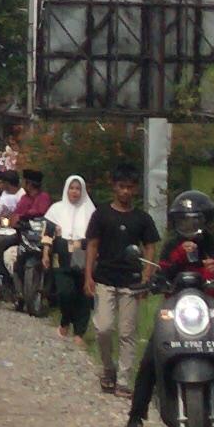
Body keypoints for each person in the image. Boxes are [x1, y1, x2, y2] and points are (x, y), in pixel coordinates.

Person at [124, 190, 214, 427]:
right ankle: (135, 418)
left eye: (194, 221)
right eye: (182, 221)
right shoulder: (172, 246)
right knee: (150, 359)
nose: (188, 227)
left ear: (207, 221)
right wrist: (177, 258)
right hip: (177, 311)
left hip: (211, 311)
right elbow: (161, 274)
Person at [82, 166, 161, 395]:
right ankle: (108, 368)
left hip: (131, 282)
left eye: (129, 187)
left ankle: (124, 380)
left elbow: (150, 246)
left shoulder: (142, 218)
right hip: (105, 279)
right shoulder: (101, 214)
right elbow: (92, 245)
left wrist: (147, 275)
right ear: (114, 187)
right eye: (121, 187)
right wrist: (88, 276)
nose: (125, 191)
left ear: (135, 189)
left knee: (127, 332)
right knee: (103, 328)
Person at [47, 175, 97, 339]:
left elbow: (95, 238)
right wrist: (45, 253)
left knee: (83, 294)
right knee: (65, 292)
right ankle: (65, 321)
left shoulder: (90, 211)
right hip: (61, 256)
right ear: (66, 189)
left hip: (82, 256)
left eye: (78, 189)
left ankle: (79, 333)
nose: (74, 192)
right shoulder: (56, 209)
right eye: (72, 188)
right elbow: (47, 233)